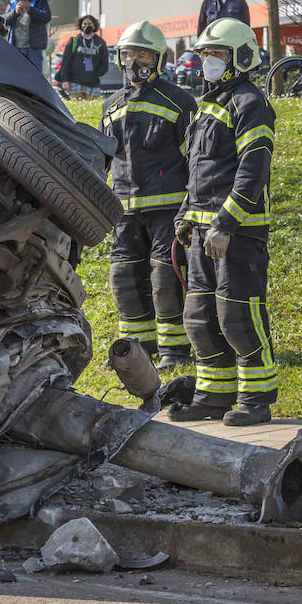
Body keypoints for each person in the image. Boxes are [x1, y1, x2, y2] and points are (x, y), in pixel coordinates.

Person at [170, 17, 277, 426]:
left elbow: (253, 170)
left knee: (238, 317)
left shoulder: (251, 103)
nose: (207, 62)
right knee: (198, 317)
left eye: (215, 54)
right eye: (205, 55)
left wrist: (226, 225)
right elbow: (197, 173)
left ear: (240, 57)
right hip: (201, 233)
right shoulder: (207, 106)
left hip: (237, 234)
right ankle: (213, 397)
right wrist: (184, 217)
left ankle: (256, 400)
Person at [100, 21, 198, 370]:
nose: (133, 60)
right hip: (123, 212)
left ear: (158, 59)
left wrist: (191, 208)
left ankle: (174, 351)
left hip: (168, 211)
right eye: (128, 54)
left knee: (164, 281)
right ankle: (138, 351)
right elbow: (104, 162)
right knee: (123, 280)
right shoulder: (111, 105)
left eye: (141, 54)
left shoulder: (180, 101)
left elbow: (196, 160)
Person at [3, 0, 52, 72]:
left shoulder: (40, 0)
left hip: (34, 49)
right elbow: (4, 20)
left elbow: (46, 17)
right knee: (17, 78)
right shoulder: (13, 3)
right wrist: (15, 12)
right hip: (16, 49)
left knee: (35, 78)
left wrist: (30, 9)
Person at [58, 14, 109, 97]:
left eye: (89, 24)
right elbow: (65, 62)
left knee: (93, 108)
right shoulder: (74, 40)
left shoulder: (100, 42)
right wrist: (65, 80)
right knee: (76, 108)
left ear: (94, 25)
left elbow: (105, 64)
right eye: (84, 24)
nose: (87, 26)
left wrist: (96, 75)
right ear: (80, 25)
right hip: (75, 82)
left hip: (93, 83)